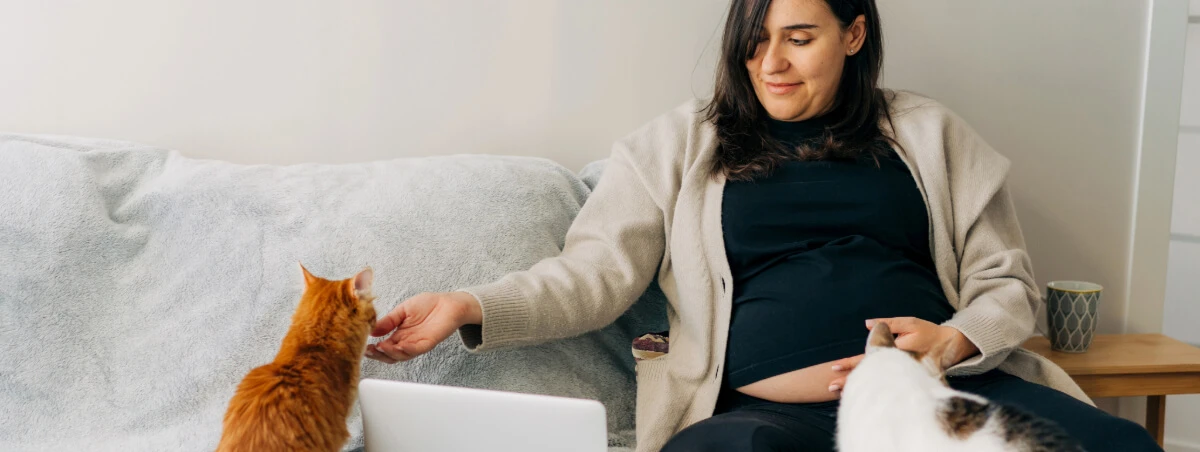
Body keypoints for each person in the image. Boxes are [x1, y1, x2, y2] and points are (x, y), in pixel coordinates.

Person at [364, 0, 1163, 451]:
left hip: (940, 396)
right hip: (772, 422)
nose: (771, 63)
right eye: (754, 44)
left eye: (799, 38)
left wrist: (952, 342)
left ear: (854, 35)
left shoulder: (931, 135)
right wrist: (469, 306)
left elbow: (1005, 282)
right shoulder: (677, 145)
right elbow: (593, 272)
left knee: (1121, 450)